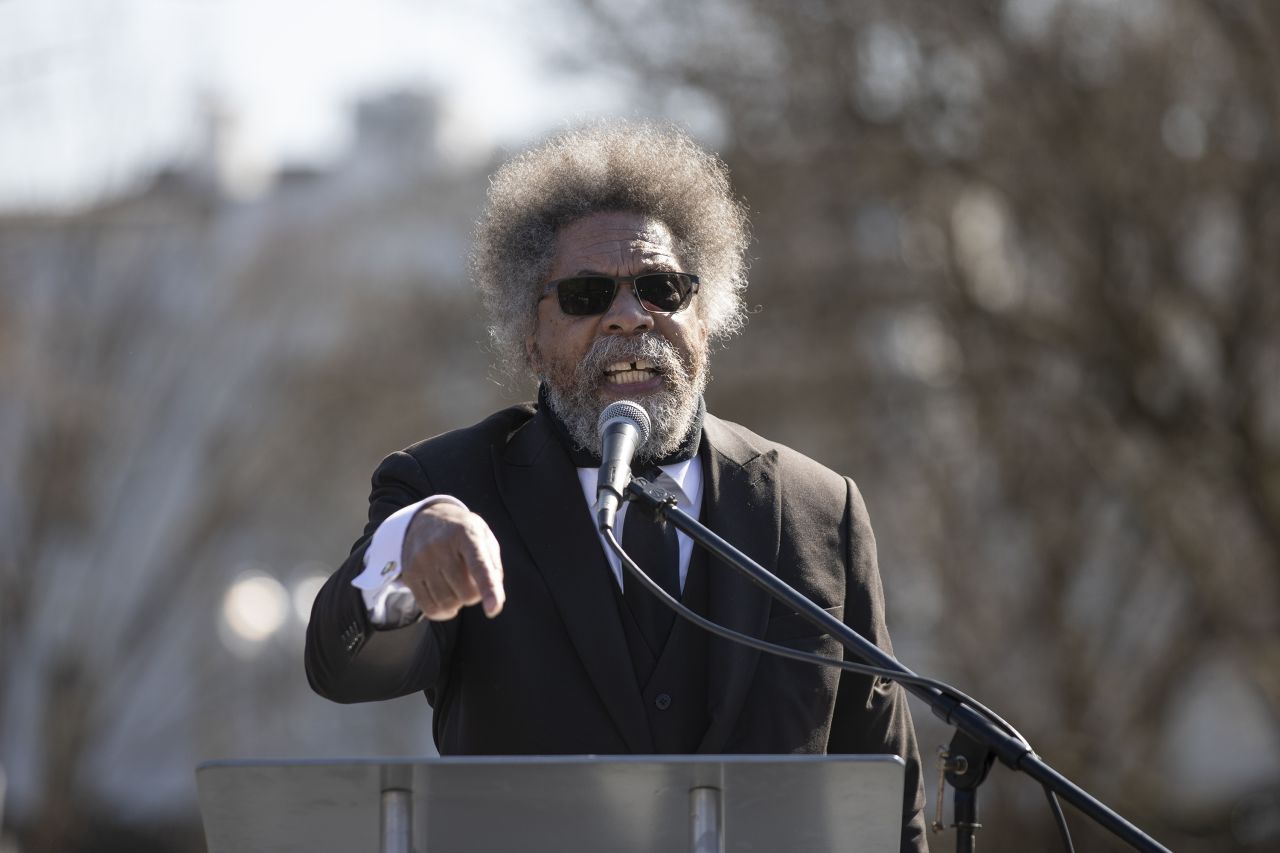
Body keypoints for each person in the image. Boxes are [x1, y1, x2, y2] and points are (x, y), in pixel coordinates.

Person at [305, 122, 928, 851]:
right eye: (586, 293)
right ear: (529, 336)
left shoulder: (820, 508)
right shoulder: (450, 486)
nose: (631, 315)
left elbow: (888, 803)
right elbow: (339, 665)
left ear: (706, 314)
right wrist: (403, 557)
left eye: (663, 287)